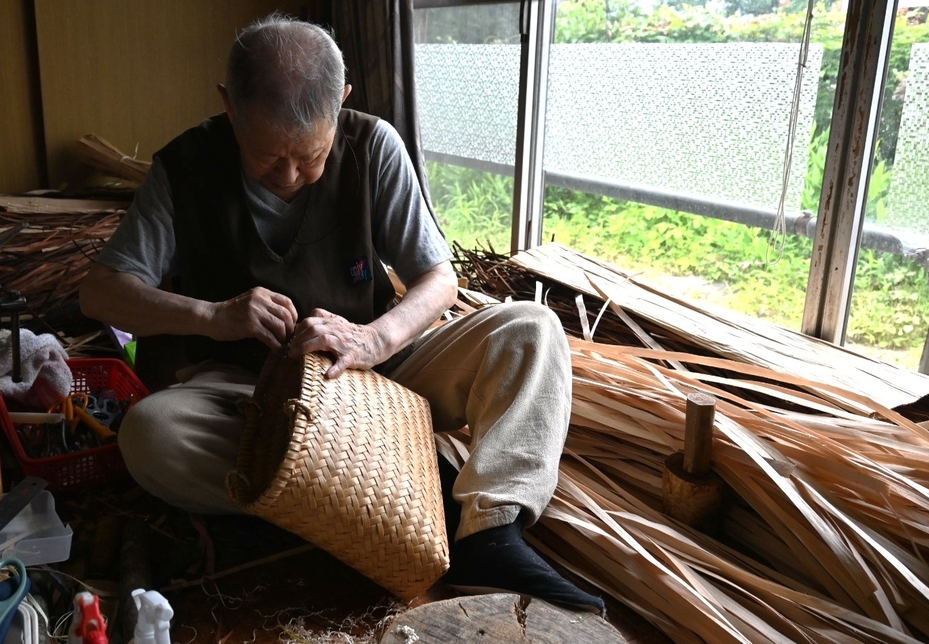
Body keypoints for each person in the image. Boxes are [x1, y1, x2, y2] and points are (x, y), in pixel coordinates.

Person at [79, 13, 604, 615]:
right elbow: (101, 293)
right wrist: (213, 315)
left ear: (343, 102)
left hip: (376, 384)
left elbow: (437, 279)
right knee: (150, 435)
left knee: (530, 331)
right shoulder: (184, 169)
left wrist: (375, 338)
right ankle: (383, 500)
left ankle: (487, 532)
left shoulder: (373, 146)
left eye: (312, 156)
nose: (290, 176)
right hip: (247, 396)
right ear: (229, 106)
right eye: (266, 157)